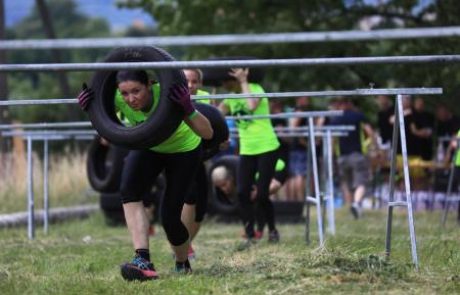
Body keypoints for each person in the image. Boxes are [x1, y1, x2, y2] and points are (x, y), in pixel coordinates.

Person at [77, 70, 213, 281]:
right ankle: (142, 259)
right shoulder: (117, 99)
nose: (130, 99)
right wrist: (93, 110)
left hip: (183, 150)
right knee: (129, 191)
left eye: (136, 91)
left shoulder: (169, 97)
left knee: (169, 218)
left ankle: (182, 262)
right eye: (125, 93)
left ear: (149, 84)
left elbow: (208, 134)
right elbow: (106, 131)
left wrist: (188, 108)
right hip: (149, 145)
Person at [218, 67, 281, 244]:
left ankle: (273, 230)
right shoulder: (230, 97)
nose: (224, 84)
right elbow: (215, 115)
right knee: (242, 193)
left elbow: (252, 106)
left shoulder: (255, 88)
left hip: (267, 147)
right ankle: (250, 234)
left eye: (226, 81)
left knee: (261, 194)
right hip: (247, 150)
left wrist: (244, 81)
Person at [211, 157, 288, 239]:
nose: (223, 189)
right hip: (260, 166)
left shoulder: (245, 176)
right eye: (219, 187)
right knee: (252, 197)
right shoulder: (239, 175)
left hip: (277, 168)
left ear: (231, 178)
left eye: (224, 184)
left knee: (261, 196)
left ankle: (270, 230)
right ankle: (254, 231)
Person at [180, 68, 211, 259]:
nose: (190, 85)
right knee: (189, 197)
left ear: (199, 83)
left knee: (202, 208)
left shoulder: (207, 98)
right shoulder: (172, 95)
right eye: (186, 81)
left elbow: (216, 124)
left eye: (194, 81)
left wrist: (221, 139)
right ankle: (183, 247)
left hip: (200, 155)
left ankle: (187, 243)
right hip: (179, 154)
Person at [329, 98, 376, 219]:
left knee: (346, 183)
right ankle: (356, 204)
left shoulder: (335, 119)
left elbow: (332, 140)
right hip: (357, 155)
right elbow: (370, 132)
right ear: (350, 103)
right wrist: (373, 145)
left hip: (342, 157)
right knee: (361, 182)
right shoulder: (359, 116)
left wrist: (331, 156)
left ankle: (352, 208)